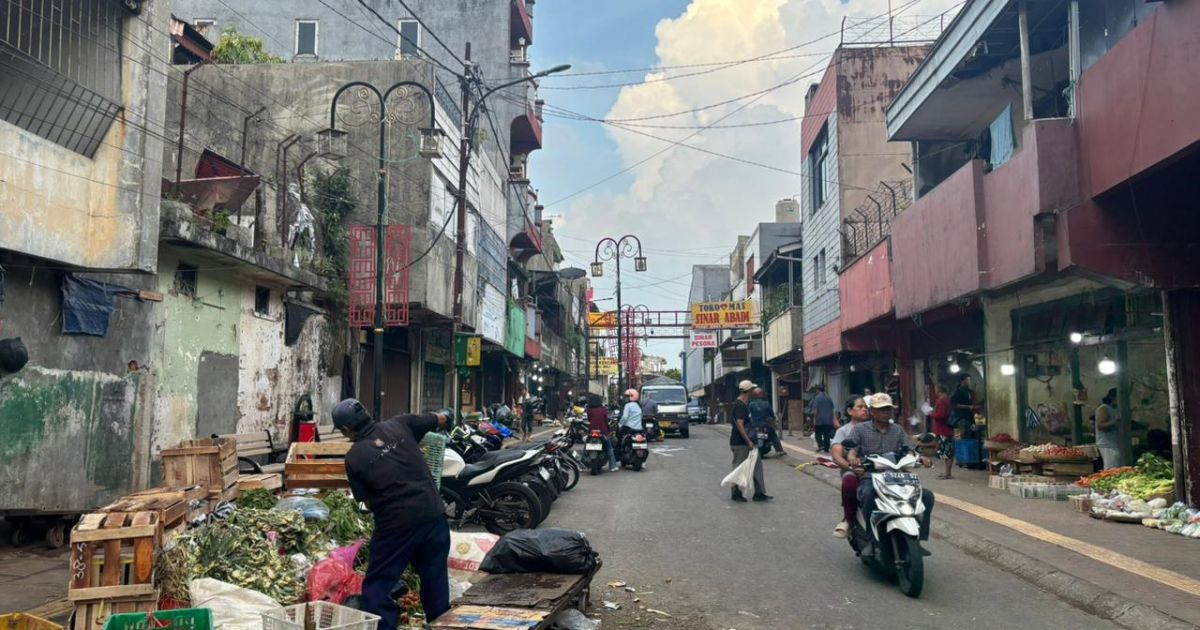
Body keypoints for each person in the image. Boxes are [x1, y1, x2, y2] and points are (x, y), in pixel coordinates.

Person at [333, 399, 454, 629]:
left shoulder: (354, 457)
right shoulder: (401, 423)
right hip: (433, 514)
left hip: (397, 526)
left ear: (346, 430)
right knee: (435, 580)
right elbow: (437, 418)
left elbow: (367, 502)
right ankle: (441, 624)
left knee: (377, 588)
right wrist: (446, 417)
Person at [847, 393, 935, 555]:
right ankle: (871, 541)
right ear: (872, 411)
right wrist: (853, 459)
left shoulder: (898, 430)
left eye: (888, 409)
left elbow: (910, 449)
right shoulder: (860, 429)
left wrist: (921, 458)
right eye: (881, 409)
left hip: (898, 477)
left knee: (927, 497)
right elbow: (852, 451)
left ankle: (918, 539)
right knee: (868, 494)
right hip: (871, 477)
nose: (885, 412)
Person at [831, 396, 870, 538]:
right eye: (860, 407)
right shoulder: (843, 431)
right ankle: (848, 519)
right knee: (849, 482)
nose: (864, 410)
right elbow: (837, 455)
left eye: (866, 407)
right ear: (849, 411)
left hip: (879, 470)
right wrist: (851, 467)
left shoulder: (877, 427)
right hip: (854, 471)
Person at [729, 380, 771, 502]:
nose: (753, 392)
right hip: (740, 443)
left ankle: (759, 492)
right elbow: (740, 425)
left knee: (756, 464)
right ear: (749, 391)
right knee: (738, 467)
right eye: (752, 390)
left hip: (743, 442)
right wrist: (748, 441)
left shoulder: (742, 404)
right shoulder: (740, 406)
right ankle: (736, 492)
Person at [586, 394, 619, 472]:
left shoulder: (589, 410)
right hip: (603, 431)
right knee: (609, 448)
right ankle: (613, 466)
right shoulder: (604, 409)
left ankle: (582, 464)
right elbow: (606, 420)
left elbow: (589, 419)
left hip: (592, 431)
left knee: (586, 446)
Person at [749, 388, 785, 458]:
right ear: (762, 395)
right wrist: (773, 419)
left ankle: (755, 450)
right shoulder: (766, 403)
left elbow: (749, 414)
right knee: (773, 436)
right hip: (766, 426)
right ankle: (780, 451)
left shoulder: (751, 404)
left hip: (755, 426)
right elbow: (771, 414)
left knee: (751, 436)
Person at [930, 384, 956, 479]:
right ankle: (947, 472)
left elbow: (940, 415)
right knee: (948, 452)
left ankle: (947, 473)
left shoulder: (942, 401)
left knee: (947, 452)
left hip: (943, 430)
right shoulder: (946, 399)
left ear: (939, 390)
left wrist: (932, 414)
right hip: (946, 429)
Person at [1095, 388, 1121, 469]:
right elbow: (1100, 425)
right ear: (1113, 397)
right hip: (1107, 444)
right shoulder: (1104, 408)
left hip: (1113, 443)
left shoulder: (1112, 409)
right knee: (1111, 469)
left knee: (1115, 468)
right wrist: (1115, 421)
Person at [809, 384, 837, 453]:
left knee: (818, 434)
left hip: (820, 420)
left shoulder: (817, 398)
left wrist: (814, 419)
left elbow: (815, 410)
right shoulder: (829, 397)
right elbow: (832, 409)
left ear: (817, 390)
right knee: (826, 435)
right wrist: (834, 419)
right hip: (828, 420)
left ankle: (821, 446)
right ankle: (826, 449)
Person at [951, 374, 977, 438]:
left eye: (969, 380)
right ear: (962, 381)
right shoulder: (958, 391)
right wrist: (968, 407)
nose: (969, 382)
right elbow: (955, 405)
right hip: (961, 419)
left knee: (971, 435)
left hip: (969, 418)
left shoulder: (969, 391)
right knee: (960, 437)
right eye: (967, 380)